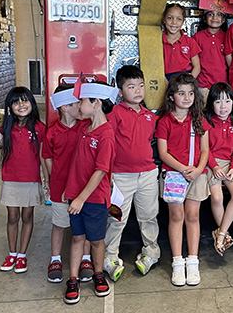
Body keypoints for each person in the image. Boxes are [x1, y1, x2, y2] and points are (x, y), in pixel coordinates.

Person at [104, 66, 160, 281]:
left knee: (149, 217)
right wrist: (108, 174)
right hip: (121, 176)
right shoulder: (114, 115)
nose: (137, 90)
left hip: (147, 174)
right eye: (131, 86)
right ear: (120, 91)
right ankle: (110, 257)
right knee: (117, 218)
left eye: (141, 85)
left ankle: (151, 252)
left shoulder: (149, 117)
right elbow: (108, 147)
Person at [63, 81, 117, 304]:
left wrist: (80, 198)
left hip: (92, 199)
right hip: (75, 195)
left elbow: (101, 170)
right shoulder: (84, 128)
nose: (78, 105)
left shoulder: (106, 134)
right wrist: (72, 193)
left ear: (96, 103)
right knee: (77, 238)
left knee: (96, 240)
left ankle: (97, 274)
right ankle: (73, 278)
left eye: (82, 101)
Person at [155, 74, 211, 286]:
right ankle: (177, 262)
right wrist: (182, 169)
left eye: (190, 93)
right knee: (176, 216)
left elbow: (205, 149)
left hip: (197, 175)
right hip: (173, 175)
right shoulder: (164, 122)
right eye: (181, 93)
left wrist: (198, 170)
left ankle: (193, 261)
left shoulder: (199, 120)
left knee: (193, 216)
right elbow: (163, 152)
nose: (186, 97)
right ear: (171, 97)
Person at [0, 87, 46, 274]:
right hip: (11, 179)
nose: (21, 105)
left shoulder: (39, 127)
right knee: (12, 217)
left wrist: (46, 180)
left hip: (31, 180)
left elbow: (43, 155)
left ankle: (22, 255)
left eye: (25, 100)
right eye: (16, 102)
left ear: (32, 103)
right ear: (9, 107)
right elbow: (0, 142)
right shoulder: (7, 126)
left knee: (27, 217)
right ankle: (12, 253)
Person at [42, 85, 93, 284]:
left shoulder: (87, 127)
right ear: (64, 107)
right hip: (59, 186)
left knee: (85, 224)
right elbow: (47, 157)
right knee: (60, 223)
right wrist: (49, 179)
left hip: (83, 186)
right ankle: (55, 258)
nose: (81, 106)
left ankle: (86, 257)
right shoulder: (52, 132)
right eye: (76, 103)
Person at [204, 82, 233, 256]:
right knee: (217, 196)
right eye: (218, 102)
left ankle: (220, 233)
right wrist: (214, 166)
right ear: (211, 103)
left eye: (227, 101)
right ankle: (224, 234)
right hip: (209, 162)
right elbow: (204, 149)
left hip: (230, 163)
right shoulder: (206, 120)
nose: (223, 106)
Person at [194, 0, 233, 99]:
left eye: (219, 15)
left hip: (221, 84)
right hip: (202, 84)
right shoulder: (197, 37)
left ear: (224, 19)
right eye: (210, 14)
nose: (215, 18)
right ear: (205, 18)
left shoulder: (227, 37)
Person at [162, 3, 201, 81]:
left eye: (179, 19)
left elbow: (197, 67)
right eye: (170, 18)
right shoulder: (158, 42)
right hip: (165, 79)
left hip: (185, 78)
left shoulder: (190, 42)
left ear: (183, 21)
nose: (174, 22)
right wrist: (163, 81)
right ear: (164, 19)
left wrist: (188, 82)